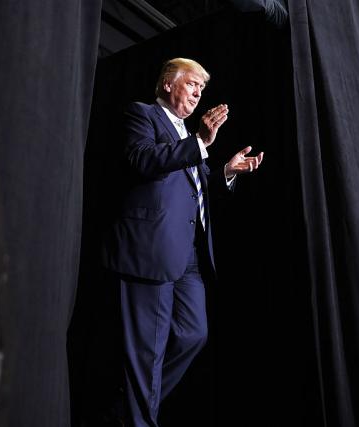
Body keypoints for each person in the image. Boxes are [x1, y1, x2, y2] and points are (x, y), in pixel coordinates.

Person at [102, 58, 264, 426]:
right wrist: (200, 142)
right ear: (167, 85)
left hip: (189, 252)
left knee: (193, 334)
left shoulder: (186, 135)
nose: (197, 93)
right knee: (147, 352)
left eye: (201, 89)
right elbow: (142, 159)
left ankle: (124, 410)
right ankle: (136, 419)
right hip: (152, 248)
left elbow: (194, 188)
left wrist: (225, 171)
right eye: (192, 84)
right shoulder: (143, 114)